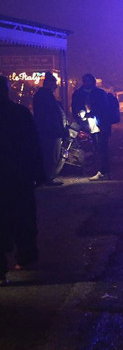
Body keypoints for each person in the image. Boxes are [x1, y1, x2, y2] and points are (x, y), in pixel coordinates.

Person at [0, 76, 45, 284]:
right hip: (18, 176)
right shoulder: (20, 113)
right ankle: (25, 257)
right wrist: (38, 173)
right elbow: (33, 145)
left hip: (13, 176)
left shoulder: (20, 113)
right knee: (23, 218)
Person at [71, 73, 112, 181]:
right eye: (86, 81)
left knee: (101, 148)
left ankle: (103, 171)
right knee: (96, 148)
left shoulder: (99, 93)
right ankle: (102, 171)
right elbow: (75, 107)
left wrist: (92, 113)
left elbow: (104, 109)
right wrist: (79, 114)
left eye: (89, 81)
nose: (87, 83)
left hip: (99, 124)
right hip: (88, 124)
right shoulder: (79, 94)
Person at [33, 72, 66, 185]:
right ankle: (48, 178)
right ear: (49, 83)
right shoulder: (44, 95)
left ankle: (48, 177)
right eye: (54, 84)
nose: (55, 86)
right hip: (50, 131)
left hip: (51, 130)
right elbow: (48, 115)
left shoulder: (44, 95)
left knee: (51, 154)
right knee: (50, 155)